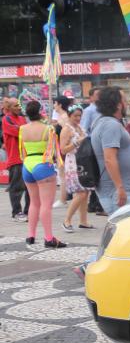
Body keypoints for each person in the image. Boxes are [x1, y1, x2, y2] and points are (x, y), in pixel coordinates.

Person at [18, 100, 66, 247]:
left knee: (34, 202)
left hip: (27, 165)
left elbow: (23, 151)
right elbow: (53, 150)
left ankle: (30, 236)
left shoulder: (22, 129)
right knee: (46, 204)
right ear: (40, 112)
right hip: (43, 164)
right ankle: (49, 238)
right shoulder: (48, 129)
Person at [92, 87, 130, 214]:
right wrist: (120, 188)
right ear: (119, 105)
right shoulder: (110, 125)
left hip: (117, 189)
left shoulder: (107, 122)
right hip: (116, 191)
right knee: (127, 230)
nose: (126, 104)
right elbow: (109, 158)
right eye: (124, 101)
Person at [59, 105, 93, 232]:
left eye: (80, 115)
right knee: (80, 192)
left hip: (83, 162)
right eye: (75, 116)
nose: (78, 118)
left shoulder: (79, 128)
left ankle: (83, 221)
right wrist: (77, 142)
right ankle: (66, 220)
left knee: (86, 191)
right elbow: (63, 149)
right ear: (69, 115)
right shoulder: (66, 129)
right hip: (73, 163)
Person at [2, 97, 29, 220]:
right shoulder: (6, 119)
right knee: (16, 187)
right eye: (15, 106)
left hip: (27, 157)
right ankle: (16, 212)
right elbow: (21, 132)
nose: (19, 107)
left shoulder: (22, 118)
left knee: (30, 187)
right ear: (8, 108)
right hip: (15, 158)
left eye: (19, 105)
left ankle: (28, 210)